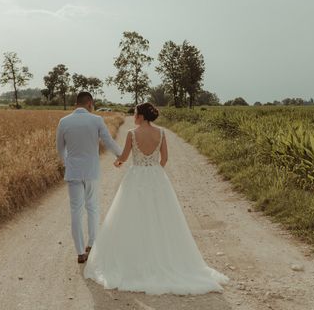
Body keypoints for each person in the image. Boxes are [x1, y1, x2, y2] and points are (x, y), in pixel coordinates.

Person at [84, 102, 229, 294]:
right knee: (161, 216)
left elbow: (125, 156)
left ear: (142, 116)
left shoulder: (132, 134)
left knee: (133, 216)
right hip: (156, 177)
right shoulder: (161, 133)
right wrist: (155, 171)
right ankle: (163, 257)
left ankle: (136, 257)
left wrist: (118, 162)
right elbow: (165, 158)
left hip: (136, 177)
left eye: (135, 113)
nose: (134, 116)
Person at [56, 91, 122, 264]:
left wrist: (67, 163)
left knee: (75, 211)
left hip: (73, 172)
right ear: (90, 103)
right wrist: (120, 156)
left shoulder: (64, 121)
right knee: (92, 207)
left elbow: (60, 148)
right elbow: (108, 141)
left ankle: (79, 252)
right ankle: (91, 244)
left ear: (76, 103)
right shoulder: (96, 120)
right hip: (91, 171)